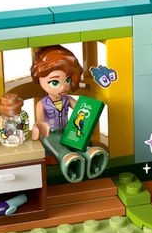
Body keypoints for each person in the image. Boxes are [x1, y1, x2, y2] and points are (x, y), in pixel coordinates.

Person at [29, 46, 108, 183]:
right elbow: (40, 122)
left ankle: (89, 153)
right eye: (55, 82)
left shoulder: (67, 99)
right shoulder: (42, 104)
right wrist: (38, 128)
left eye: (67, 80)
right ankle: (66, 158)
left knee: (75, 141)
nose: (63, 87)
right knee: (56, 145)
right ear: (39, 79)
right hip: (50, 134)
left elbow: (81, 108)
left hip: (67, 130)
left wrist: (90, 111)